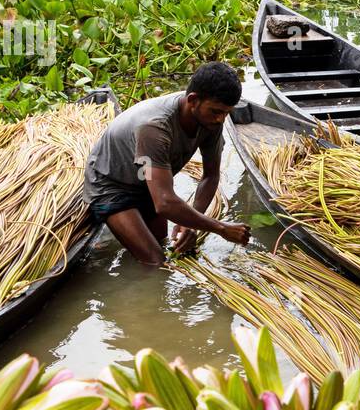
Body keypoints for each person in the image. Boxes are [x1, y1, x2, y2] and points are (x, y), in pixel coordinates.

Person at [83, 62, 251, 266]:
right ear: (193, 100)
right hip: (111, 185)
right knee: (155, 261)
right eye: (216, 111)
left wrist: (190, 224)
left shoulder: (211, 120)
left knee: (162, 244)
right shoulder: (155, 127)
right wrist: (221, 228)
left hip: (146, 182)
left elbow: (210, 176)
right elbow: (164, 203)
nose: (220, 119)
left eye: (226, 112)